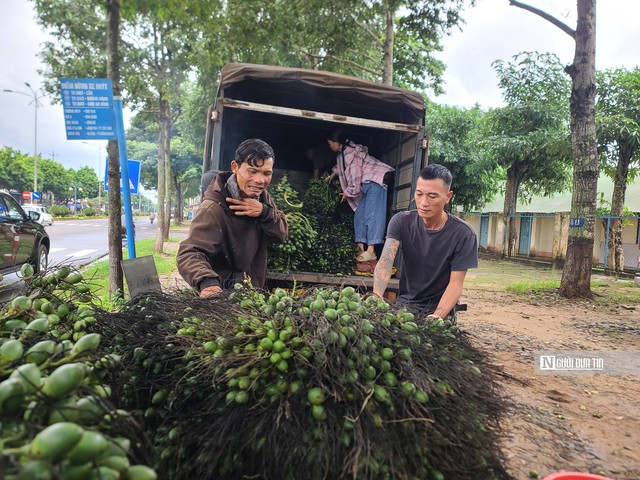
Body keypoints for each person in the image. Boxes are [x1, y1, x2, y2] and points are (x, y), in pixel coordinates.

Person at [177, 139, 288, 298]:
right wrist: (207, 283)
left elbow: (281, 235)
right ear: (235, 167)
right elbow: (189, 253)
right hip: (223, 299)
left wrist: (264, 213)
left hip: (252, 294)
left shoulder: (263, 198)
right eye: (252, 171)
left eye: (266, 173)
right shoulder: (213, 208)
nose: (259, 180)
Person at [373, 164, 478, 321]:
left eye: (432, 196)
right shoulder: (401, 221)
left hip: (439, 310)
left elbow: (456, 284)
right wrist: (376, 296)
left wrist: (437, 316)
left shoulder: (463, 234)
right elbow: (386, 260)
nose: (423, 202)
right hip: (405, 306)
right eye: (419, 194)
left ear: (448, 197)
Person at [326, 130, 394, 263]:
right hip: (366, 183)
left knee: (371, 214)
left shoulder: (353, 157)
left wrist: (347, 192)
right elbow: (342, 165)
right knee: (359, 214)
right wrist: (333, 174)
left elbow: (355, 186)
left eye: (330, 144)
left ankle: (371, 251)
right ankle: (360, 248)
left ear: (337, 143)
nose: (329, 146)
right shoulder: (343, 153)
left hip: (376, 180)